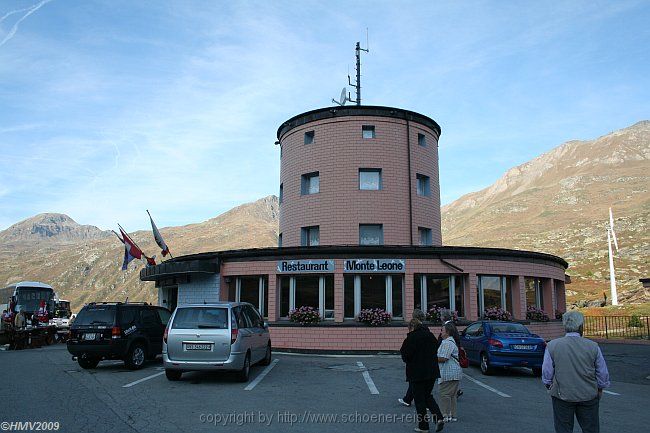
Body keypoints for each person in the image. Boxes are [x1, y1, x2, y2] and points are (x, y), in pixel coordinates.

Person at [542, 311, 610, 433]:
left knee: (563, 429)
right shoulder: (593, 346)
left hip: (562, 394)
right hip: (588, 395)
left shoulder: (553, 345)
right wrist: (600, 388)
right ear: (581, 326)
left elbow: (547, 372)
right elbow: (602, 372)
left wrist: (549, 385)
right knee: (591, 429)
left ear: (565, 326)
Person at [400, 317, 444, 432]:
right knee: (427, 395)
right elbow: (436, 348)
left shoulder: (411, 338)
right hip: (432, 371)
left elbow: (405, 355)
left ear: (412, 327)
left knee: (419, 400)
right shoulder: (430, 336)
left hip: (417, 373)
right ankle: (438, 417)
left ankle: (423, 426)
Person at [399, 309, 426, 407]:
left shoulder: (418, 330)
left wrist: (407, 358)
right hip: (420, 360)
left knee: (415, 381)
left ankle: (410, 400)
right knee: (415, 382)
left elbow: (408, 347)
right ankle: (408, 399)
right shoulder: (425, 329)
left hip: (417, 361)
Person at [437, 322, 462, 422]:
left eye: (442, 330)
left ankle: (445, 414)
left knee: (445, 395)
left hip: (448, 372)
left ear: (447, 332)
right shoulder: (451, 342)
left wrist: (431, 358)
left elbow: (444, 358)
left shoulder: (447, 343)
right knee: (452, 395)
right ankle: (452, 415)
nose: (441, 332)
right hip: (454, 372)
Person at [437, 309, 463, 398]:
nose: (440, 317)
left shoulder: (448, 326)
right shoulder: (450, 325)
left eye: (440, 315)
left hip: (449, 354)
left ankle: (454, 392)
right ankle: (454, 391)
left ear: (443, 317)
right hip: (452, 352)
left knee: (446, 374)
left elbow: (444, 340)